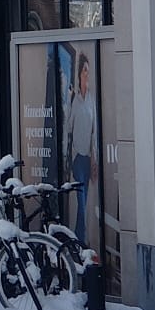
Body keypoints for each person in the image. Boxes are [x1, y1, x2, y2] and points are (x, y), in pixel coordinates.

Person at [64, 50, 97, 245]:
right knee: (82, 203)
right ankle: (81, 242)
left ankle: (76, 240)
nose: (87, 74)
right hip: (78, 157)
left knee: (84, 203)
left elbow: (95, 131)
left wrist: (95, 158)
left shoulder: (91, 99)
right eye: (84, 70)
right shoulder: (75, 100)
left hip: (88, 157)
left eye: (88, 71)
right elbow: (68, 127)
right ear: (79, 74)